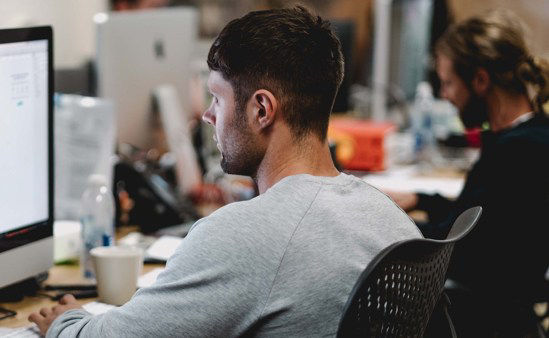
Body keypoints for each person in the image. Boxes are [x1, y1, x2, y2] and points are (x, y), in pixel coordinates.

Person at [29, 7, 420, 337]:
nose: (207, 115)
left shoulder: (246, 235)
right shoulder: (387, 216)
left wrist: (65, 322)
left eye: (218, 98)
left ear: (261, 110)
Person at [388, 10, 549, 336]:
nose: (445, 96)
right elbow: (477, 216)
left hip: (486, 318)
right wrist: (421, 198)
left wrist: (381, 222)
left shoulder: (516, 153)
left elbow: (451, 241)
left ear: (479, 80)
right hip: (503, 310)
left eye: (448, 83)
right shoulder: (528, 137)